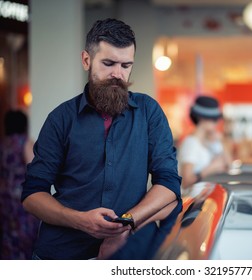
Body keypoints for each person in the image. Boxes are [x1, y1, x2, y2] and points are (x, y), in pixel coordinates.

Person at [21, 18, 182, 260]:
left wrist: (125, 224)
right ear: (86, 59)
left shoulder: (149, 112)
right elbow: (32, 195)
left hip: (126, 252)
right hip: (61, 255)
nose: (118, 74)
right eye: (108, 63)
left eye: (126, 65)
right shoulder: (61, 119)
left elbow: (169, 183)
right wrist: (80, 221)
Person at [0, 110, 39, 259]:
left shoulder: (3, 143)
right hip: (20, 198)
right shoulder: (25, 142)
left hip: (3, 197)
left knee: (8, 237)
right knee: (26, 237)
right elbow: (34, 168)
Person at [178, 96, 231, 189]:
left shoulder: (205, 142)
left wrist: (221, 140)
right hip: (192, 200)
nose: (217, 123)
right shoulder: (191, 144)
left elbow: (228, 165)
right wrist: (211, 168)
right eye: (214, 120)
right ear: (202, 119)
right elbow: (185, 181)